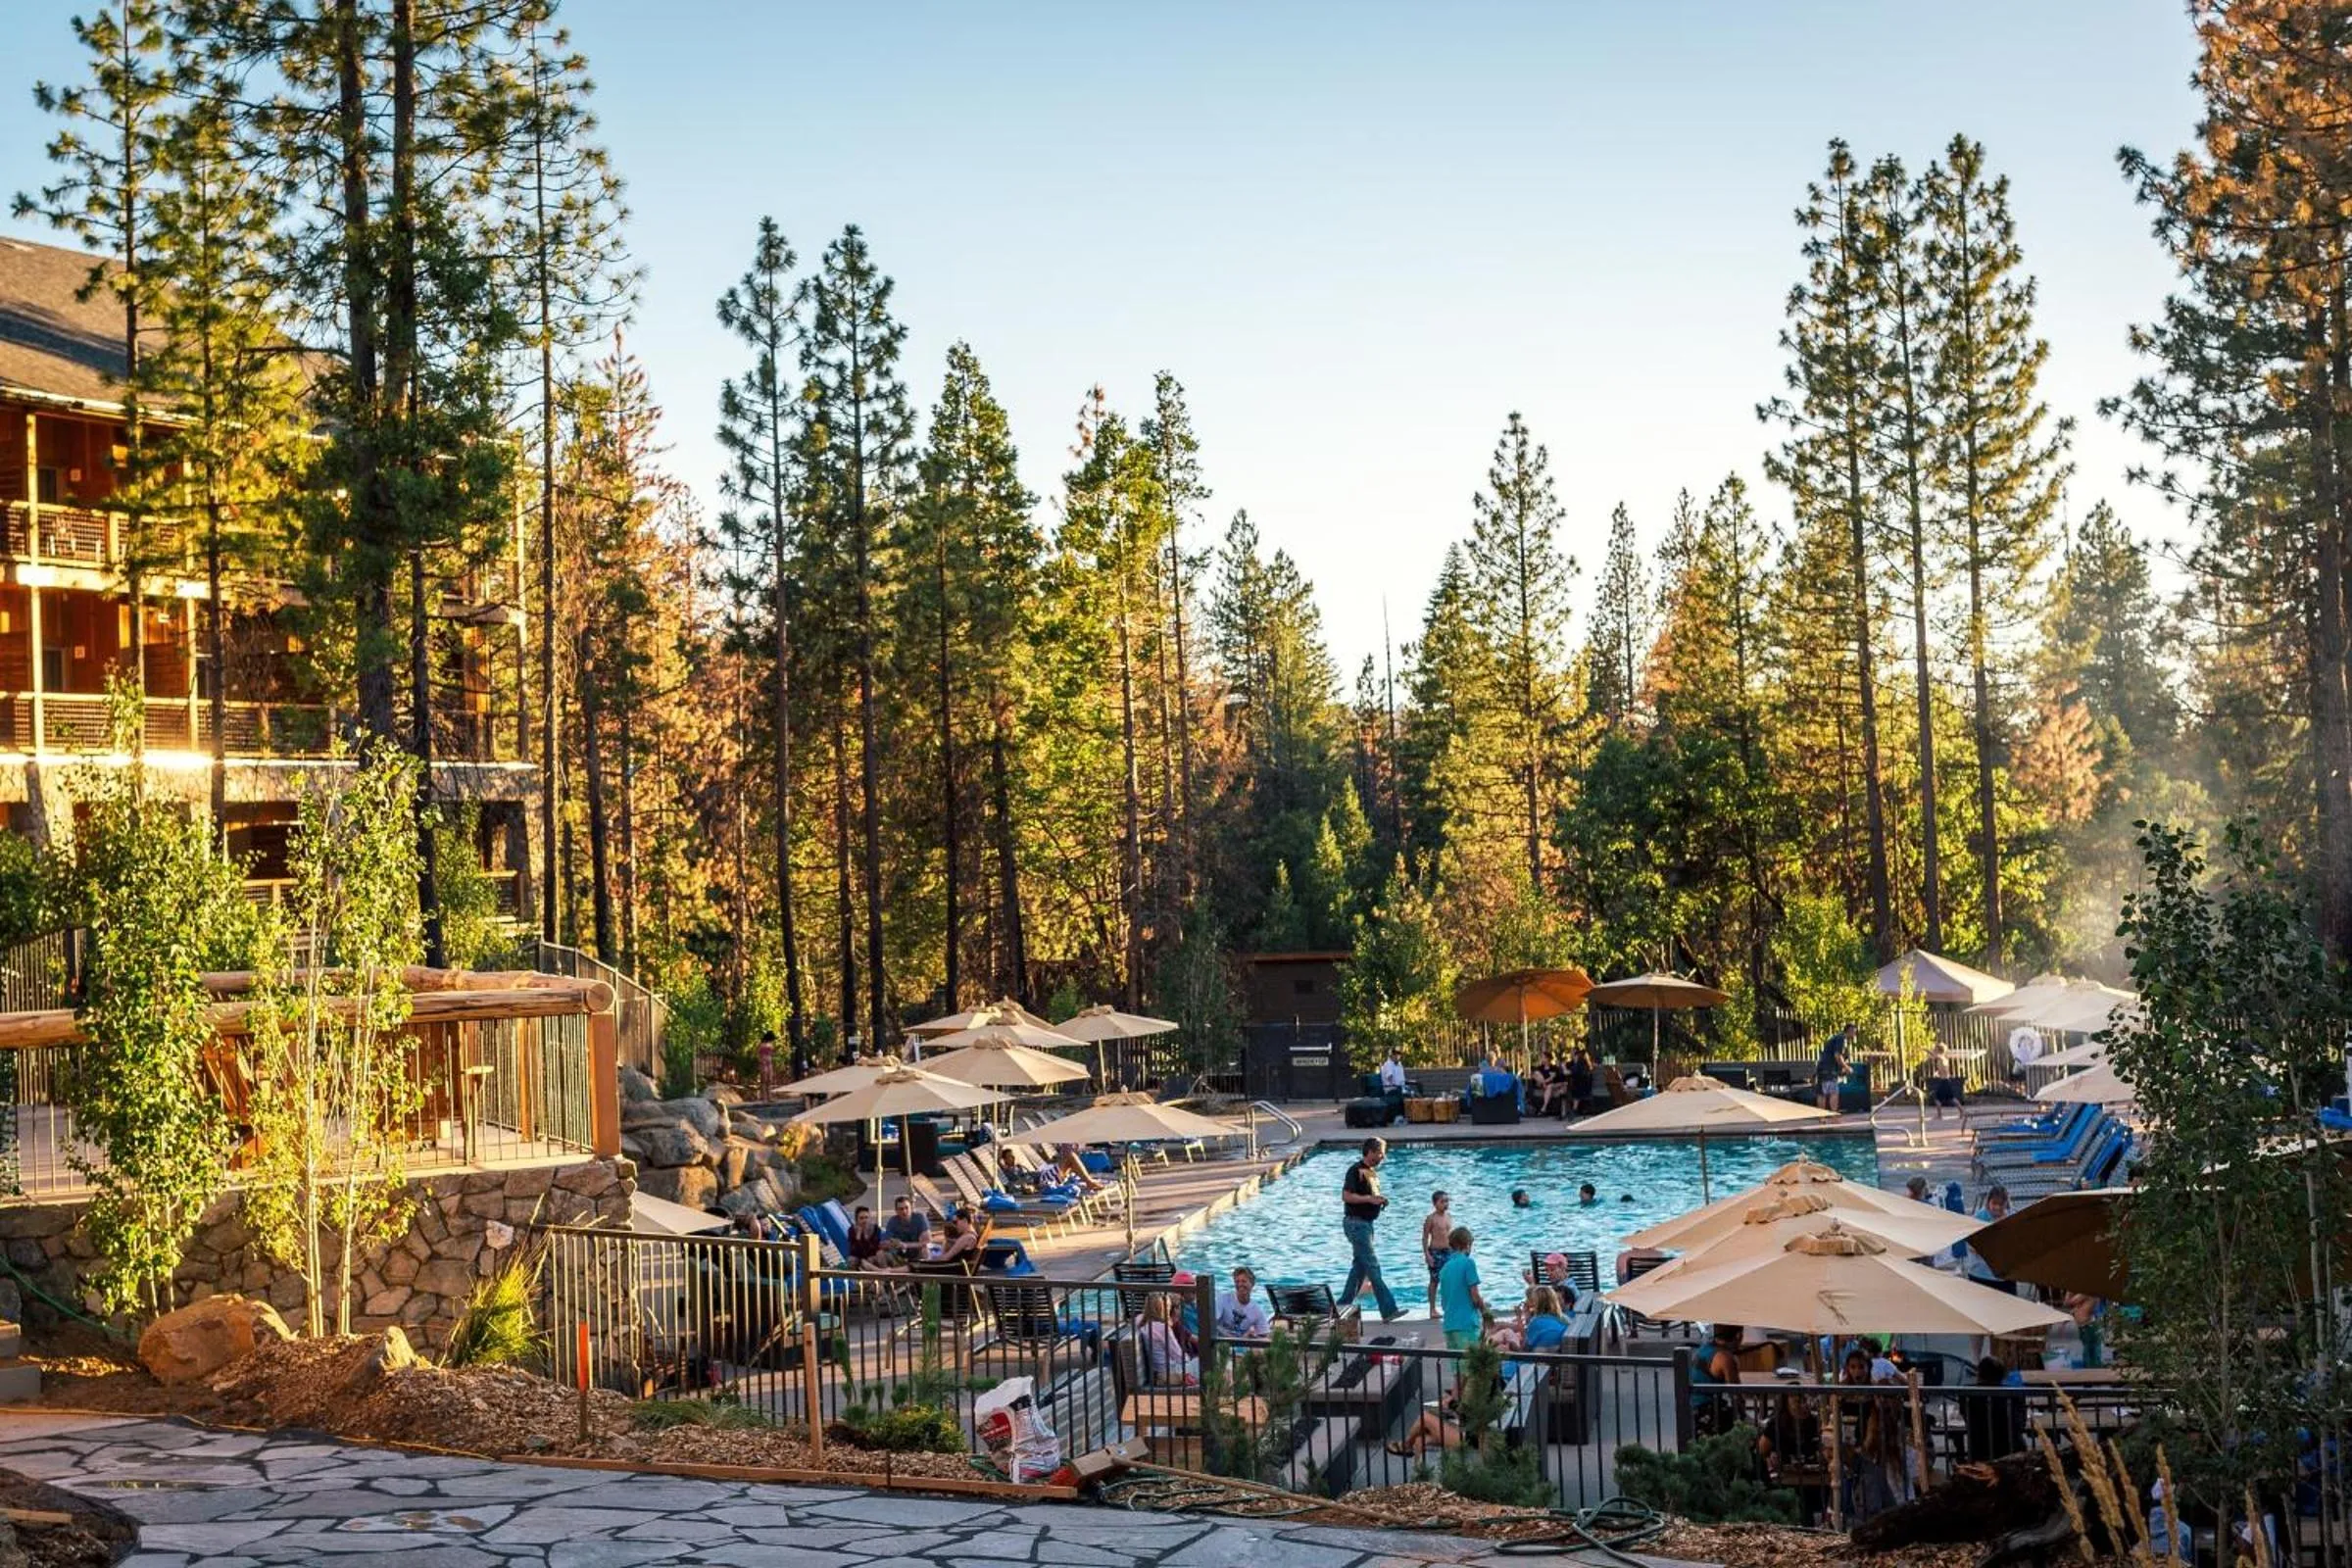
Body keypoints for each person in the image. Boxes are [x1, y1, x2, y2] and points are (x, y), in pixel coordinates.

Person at [1340, 1137, 1402, 1322]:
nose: (1383, 1157)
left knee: (1359, 1268)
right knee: (1372, 1266)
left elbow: (1370, 1196)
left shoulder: (1372, 1173)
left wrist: (1379, 1201)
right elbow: (1347, 1196)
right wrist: (1369, 1200)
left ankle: (1342, 1307)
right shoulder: (1355, 1170)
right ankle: (1388, 1310)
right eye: (1381, 1152)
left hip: (1367, 1224)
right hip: (1356, 1223)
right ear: (1371, 1151)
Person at [1436, 1226, 1489, 1349]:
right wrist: (1484, 1310)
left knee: (1456, 1366)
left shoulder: (1445, 1268)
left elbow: (1444, 1300)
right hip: (1466, 1323)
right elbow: (1474, 1296)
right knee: (1470, 1365)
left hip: (1449, 1324)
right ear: (1467, 1244)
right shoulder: (1468, 1263)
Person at [1135, 1293, 1199, 1386]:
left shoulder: (1140, 1321)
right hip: (1170, 1373)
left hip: (1158, 1370)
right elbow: (1179, 1356)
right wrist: (1191, 1360)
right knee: (1209, 1361)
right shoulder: (1162, 1328)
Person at [1964, 1185, 2015, 1292]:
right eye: (1994, 1203)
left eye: (2001, 1204)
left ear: (2007, 1203)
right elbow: (1971, 1247)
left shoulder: (2013, 1217)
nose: (1997, 1207)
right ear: (1988, 1202)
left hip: (2005, 1276)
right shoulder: (1978, 1218)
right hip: (1980, 1275)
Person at [1214, 1266, 1272, 1340]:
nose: (1240, 1284)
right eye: (1237, 1281)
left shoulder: (1256, 1310)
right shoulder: (1223, 1299)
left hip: (1242, 1345)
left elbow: (1264, 1334)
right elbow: (1212, 1323)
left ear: (1252, 1284)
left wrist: (1253, 1336)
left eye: (1243, 1281)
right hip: (1222, 1344)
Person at [1421, 1192, 1454, 1311]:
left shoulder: (1449, 1217)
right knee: (1434, 1281)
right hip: (1436, 1252)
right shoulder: (1431, 1219)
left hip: (1449, 1252)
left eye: (1447, 1201)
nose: (1446, 1204)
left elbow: (1450, 1235)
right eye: (1442, 1201)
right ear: (1435, 1204)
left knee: (1450, 1280)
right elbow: (1425, 1237)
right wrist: (1427, 1255)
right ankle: (1432, 1309)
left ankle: (1448, 1306)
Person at [880, 1195, 930, 1261]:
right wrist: (892, 1243)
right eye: (901, 1209)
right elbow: (885, 1242)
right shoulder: (893, 1221)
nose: (904, 1211)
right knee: (881, 1253)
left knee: (925, 1249)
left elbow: (927, 1241)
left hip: (917, 1251)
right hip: (899, 1252)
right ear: (896, 1211)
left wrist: (906, 1245)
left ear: (911, 1208)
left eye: (906, 1208)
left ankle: (923, 1268)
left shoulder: (920, 1218)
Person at [1817, 1025, 1852, 1111]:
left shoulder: (1836, 1038)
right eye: (1854, 1032)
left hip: (1824, 1068)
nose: (1854, 1035)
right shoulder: (1841, 1038)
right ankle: (1833, 1117)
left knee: (1822, 1093)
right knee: (1833, 1093)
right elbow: (1837, 1055)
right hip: (1829, 1069)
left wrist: (1841, 1069)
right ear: (1849, 1031)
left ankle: (1822, 1117)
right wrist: (1846, 1067)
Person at [1567, 1050, 1595, 1116]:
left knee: (1576, 1088)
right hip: (1579, 1084)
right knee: (1571, 1087)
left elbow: (1571, 1072)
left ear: (1576, 1055)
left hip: (1584, 1086)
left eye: (1573, 1054)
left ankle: (1574, 1110)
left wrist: (1564, 1068)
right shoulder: (1574, 1063)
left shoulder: (1581, 1063)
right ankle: (1572, 1110)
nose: (1571, 1055)